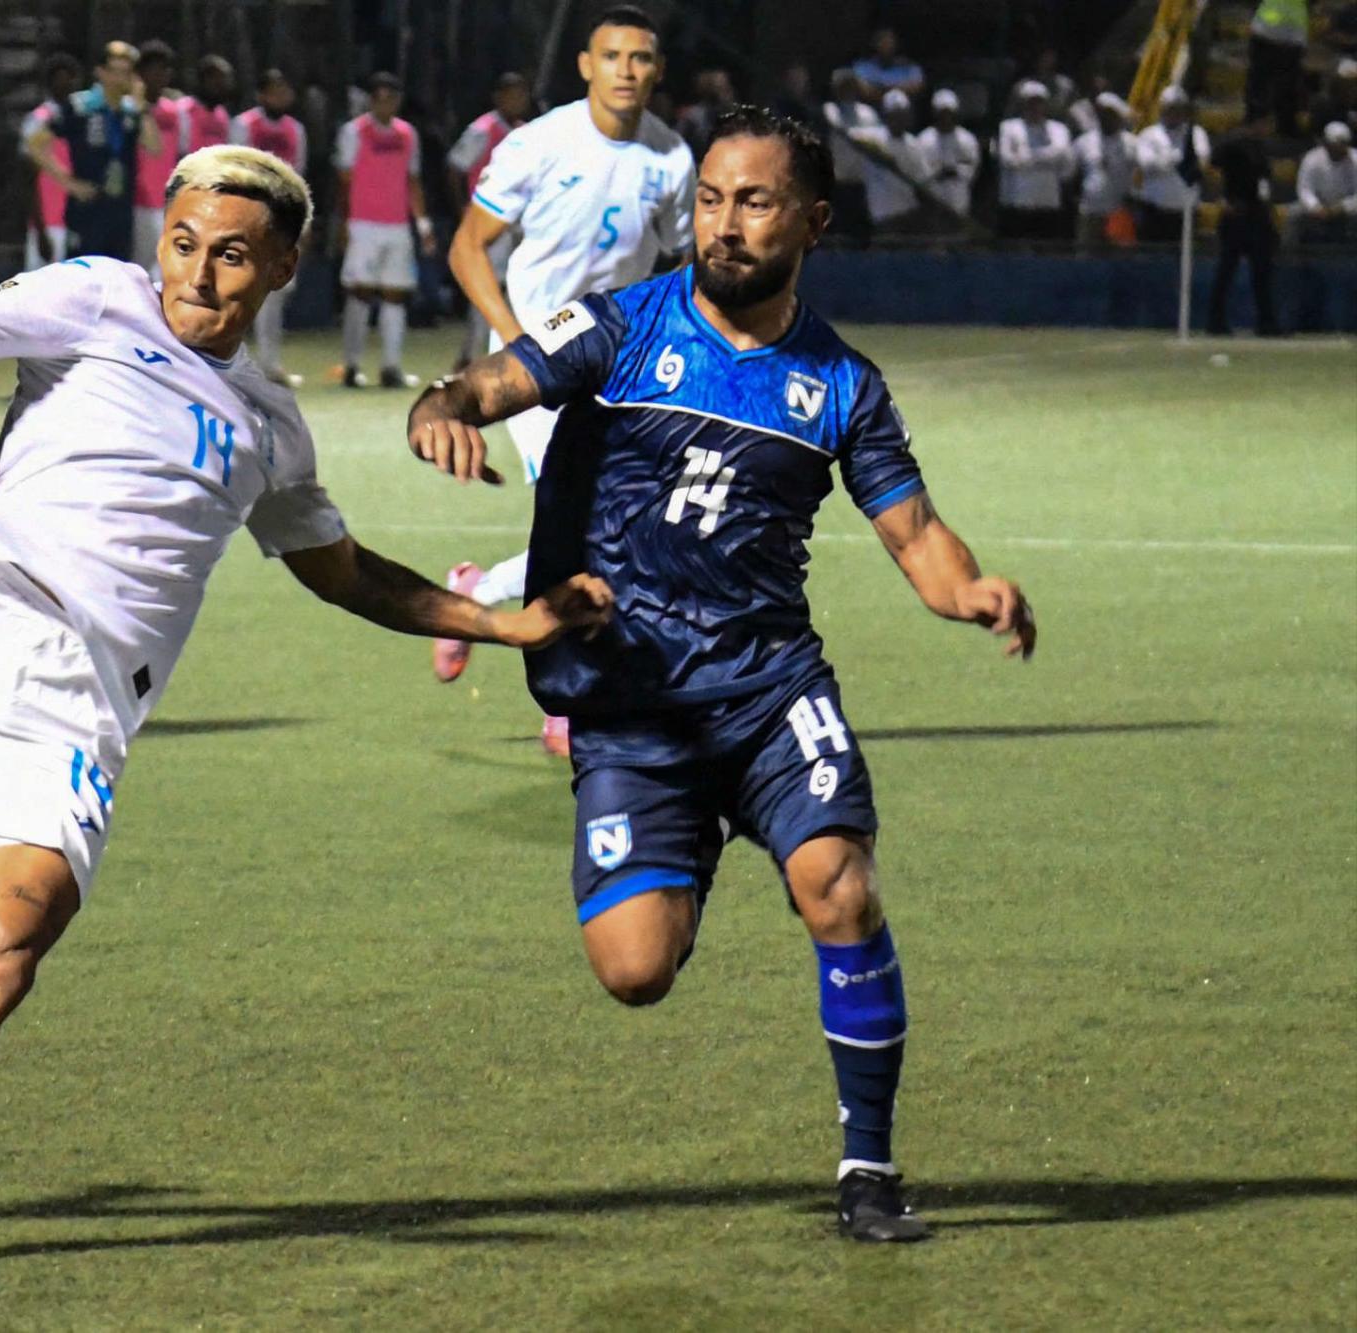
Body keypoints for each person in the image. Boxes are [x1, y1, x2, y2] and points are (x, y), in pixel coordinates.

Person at [0, 144, 614, 1273]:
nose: (196, 274)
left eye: (231, 256)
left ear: (283, 266)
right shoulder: (94, 297)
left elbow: (340, 573)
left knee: (1, 942)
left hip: (70, 699)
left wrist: (502, 623)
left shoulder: (272, 429)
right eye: (182, 244)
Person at [405, 105, 1035, 1245]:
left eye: (751, 201)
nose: (722, 224)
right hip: (627, 707)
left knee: (837, 883)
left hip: (764, 689)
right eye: (708, 198)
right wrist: (441, 405)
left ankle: (868, 1168)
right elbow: (489, 384)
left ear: (810, 220)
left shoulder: (840, 385)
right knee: (632, 969)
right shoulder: (617, 328)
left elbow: (915, 534)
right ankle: (681, 842)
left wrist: (968, 590)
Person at [439, 3, 693, 757]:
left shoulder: (672, 160)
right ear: (586, 64)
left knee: (622, 525)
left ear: (656, 71)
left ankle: (477, 592)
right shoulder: (537, 144)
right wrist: (518, 347)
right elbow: (467, 249)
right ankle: (567, 699)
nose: (626, 71)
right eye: (612, 56)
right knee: (584, 520)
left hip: (616, 359)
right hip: (535, 357)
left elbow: (679, 267)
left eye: (640, 59)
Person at [335, 71, 436, 389]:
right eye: (379, 97)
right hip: (363, 224)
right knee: (361, 292)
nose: (385, 104)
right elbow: (344, 180)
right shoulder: (354, 132)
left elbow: (413, 181)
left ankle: (391, 367)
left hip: (397, 226)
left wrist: (422, 224)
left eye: (391, 98)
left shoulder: (408, 134)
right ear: (371, 100)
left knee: (396, 294)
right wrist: (344, 222)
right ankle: (352, 365)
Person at [26, 40, 161, 263]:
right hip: (86, 210)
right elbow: (35, 144)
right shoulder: (81, 106)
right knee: (82, 276)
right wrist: (69, 182)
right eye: (116, 72)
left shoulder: (131, 111)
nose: (121, 79)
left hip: (121, 212)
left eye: (126, 73)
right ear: (101, 72)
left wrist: (142, 106)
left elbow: (154, 147)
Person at [445, 71, 530, 370]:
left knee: (516, 288)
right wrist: (464, 211)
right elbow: (456, 168)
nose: (518, 100)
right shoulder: (482, 129)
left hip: (519, 224)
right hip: (490, 220)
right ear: (498, 97)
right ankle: (469, 356)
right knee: (488, 285)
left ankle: (502, 353)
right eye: (511, 94)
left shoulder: (526, 131)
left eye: (522, 94)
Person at [230, 68, 310, 384]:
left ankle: (269, 363)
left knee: (274, 290)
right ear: (261, 95)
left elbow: (298, 176)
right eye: (273, 90)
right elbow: (236, 169)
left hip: (282, 217)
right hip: (250, 214)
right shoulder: (244, 125)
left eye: (284, 90)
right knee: (239, 286)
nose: (280, 97)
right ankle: (230, 361)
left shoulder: (296, 130)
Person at [1207, 119, 1280, 337]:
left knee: (1261, 272)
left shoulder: (1260, 148)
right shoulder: (1232, 144)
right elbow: (1211, 168)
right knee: (1227, 270)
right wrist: (1221, 199)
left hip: (1256, 213)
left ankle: (1266, 323)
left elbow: (1264, 182)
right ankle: (1216, 321)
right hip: (1236, 214)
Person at [23, 53, 83, 269]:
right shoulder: (39, 119)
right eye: (59, 78)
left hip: (74, 219)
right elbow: (29, 175)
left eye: (69, 78)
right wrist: (39, 228)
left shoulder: (80, 118)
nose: (65, 84)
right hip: (48, 220)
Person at [130, 41, 184, 280]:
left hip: (167, 203)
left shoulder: (175, 110)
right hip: (136, 203)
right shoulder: (128, 109)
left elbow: (181, 153)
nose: (160, 75)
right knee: (138, 270)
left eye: (165, 69)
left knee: (164, 270)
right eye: (154, 69)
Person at [995, 80, 1075, 240]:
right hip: (1018, 201)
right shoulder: (1009, 127)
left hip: (1048, 201)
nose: (1034, 107)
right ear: (1023, 104)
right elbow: (1007, 159)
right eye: (1030, 102)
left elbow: (1060, 155)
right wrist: (1046, 159)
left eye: (1038, 102)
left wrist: (1025, 156)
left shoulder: (1059, 129)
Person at [846, 88, 933, 232]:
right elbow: (851, 136)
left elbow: (924, 179)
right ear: (886, 115)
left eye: (902, 114)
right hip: (881, 215)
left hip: (908, 214)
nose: (898, 119)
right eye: (894, 115)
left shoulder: (914, 144)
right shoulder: (874, 136)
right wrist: (880, 153)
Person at [1133, 87, 1210, 243]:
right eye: (1170, 108)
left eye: (1178, 108)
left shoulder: (1196, 133)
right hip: (1154, 211)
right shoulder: (1149, 134)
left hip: (1185, 213)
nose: (1174, 113)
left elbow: (1200, 162)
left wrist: (1164, 160)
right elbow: (1147, 164)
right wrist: (1177, 159)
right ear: (1162, 108)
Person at [821, 69, 880, 243]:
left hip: (862, 184)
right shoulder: (828, 110)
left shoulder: (868, 114)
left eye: (850, 85)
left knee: (860, 235)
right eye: (843, 86)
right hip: (836, 184)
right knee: (836, 234)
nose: (847, 89)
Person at [1074, 93, 1139, 246]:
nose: (1106, 118)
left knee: (1120, 260)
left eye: (1110, 114)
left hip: (1118, 212)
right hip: (1090, 212)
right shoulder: (1084, 141)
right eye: (1103, 113)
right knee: (1087, 258)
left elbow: (1139, 178)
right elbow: (1071, 174)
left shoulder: (1132, 144)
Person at [1246, 0, 1308, 138]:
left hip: (1266, 30)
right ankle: (1283, 127)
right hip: (1288, 36)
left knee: (1259, 83)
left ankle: (1256, 122)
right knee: (1284, 86)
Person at [916, 88, 979, 219]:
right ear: (935, 113)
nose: (945, 117)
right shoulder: (923, 139)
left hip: (959, 203)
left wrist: (955, 170)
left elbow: (972, 168)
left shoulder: (967, 139)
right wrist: (938, 172)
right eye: (942, 113)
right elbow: (920, 172)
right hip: (933, 203)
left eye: (949, 113)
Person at [1296, 120, 1357, 244]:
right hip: (1318, 206)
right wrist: (1315, 207)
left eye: (1344, 144)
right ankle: (1290, 258)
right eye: (1337, 144)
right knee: (1293, 216)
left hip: (1347, 207)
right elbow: (1304, 189)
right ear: (1327, 144)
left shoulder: (1355, 159)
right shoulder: (1312, 158)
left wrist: (1342, 207)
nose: (1341, 148)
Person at [851, 28, 924, 104]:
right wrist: (899, 86)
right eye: (882, 41)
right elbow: (866, 91)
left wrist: (881, 88)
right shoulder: (862, 66)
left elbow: (916, 88)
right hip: (872, 108)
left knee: (898, 99)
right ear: (874, 44)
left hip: (903, 109)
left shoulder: (908, 66)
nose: (886, 45)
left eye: (889, 41)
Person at [181, 55, 234, 155]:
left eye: (225, 81)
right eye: (217, 81)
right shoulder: (184, 109)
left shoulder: (223, 115)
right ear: (203, 79)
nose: (222, 86)